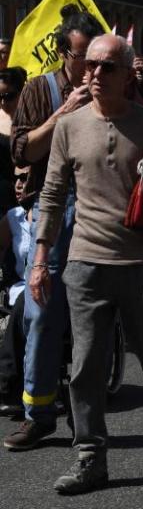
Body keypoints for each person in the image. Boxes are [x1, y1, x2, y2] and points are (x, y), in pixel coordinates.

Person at [35, 33, 143, 494]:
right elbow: (52, 194)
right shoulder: (68, 126)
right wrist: (41, 258)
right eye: (90, 66)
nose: (96, 74)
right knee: (85, 364)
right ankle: (90, 456)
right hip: (86, 262)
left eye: (107, 67)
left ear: (128, 75)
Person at [5, 4, 104, 451]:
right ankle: (38, 412)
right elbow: (23, 152)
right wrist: (64, 111)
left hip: (102, 209)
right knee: (42, 311)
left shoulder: (117, 87)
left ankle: (91, 419)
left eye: (102, 60)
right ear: (66, 52)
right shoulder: (39, 90)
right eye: (86, 58)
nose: (94, 68)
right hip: (53, 209)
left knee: (98, 316)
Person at [0, 167, 36, 417]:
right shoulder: (11, 218)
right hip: (20, 288)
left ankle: (7, 383)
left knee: (29, 300)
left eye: (25, 179)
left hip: (52, 287)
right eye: (16, 179)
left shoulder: (61, 215)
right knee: (24, 299)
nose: (18, 184)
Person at [0, 67, 26, 210]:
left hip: (25, 192)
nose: (3, 103)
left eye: (9, 96)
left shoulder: (34, 119)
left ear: (21, 92)